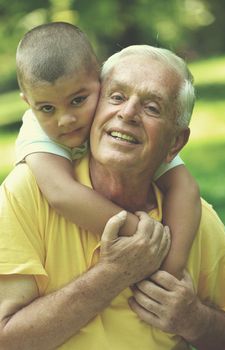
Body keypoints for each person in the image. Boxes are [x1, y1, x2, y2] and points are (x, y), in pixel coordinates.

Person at [0, 44, 225, 350]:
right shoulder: (27, 193)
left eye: (152, 107)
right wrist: (111, 275)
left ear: (175, 142)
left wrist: (194, 319)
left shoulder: (195, 219)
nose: (128, 113)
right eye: (118, 97)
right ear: (95, 105)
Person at [15, 22, 201, 279]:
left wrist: (170, 269)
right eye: (47, 108)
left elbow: (185, 188)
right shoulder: (37, 131)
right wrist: (141, 235)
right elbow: (61, 193)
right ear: (29, 102)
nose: (65, 120)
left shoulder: (121, 122)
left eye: (78, 100)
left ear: (100, 79)